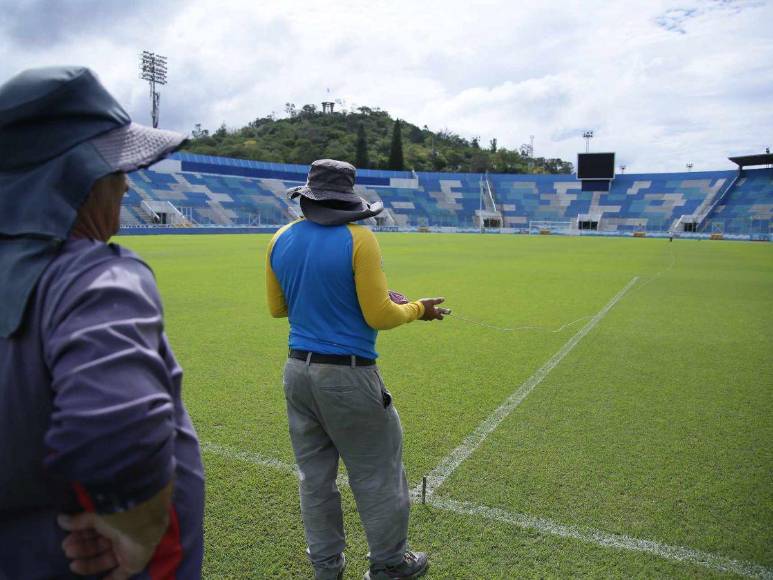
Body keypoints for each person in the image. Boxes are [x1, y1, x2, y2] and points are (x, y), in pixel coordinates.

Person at [0, 66, 204, 578]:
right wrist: (137, 528)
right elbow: (120, 429)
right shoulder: (93, 276)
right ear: (78, 181)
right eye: (116, 170)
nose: (128, 188)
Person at [266, 159, 447, 580]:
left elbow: (278, 308)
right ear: (349, 202)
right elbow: (380, 315)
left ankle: (326, 569)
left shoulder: (280, 238)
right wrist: (417, 309)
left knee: (314, 478)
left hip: (298, 372)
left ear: (309, 198)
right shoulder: (360, 240)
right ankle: (388, 565)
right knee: (378, 474)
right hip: (347, 376)